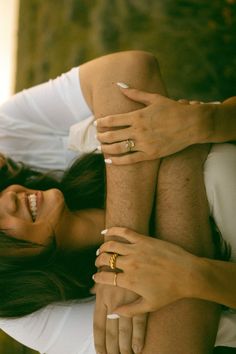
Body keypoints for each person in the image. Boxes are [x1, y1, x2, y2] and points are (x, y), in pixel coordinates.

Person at [0, 50, 234, 353]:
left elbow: (128, 70)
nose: (8, 200)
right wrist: (180, 156)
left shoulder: (87, 159)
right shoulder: (23, 310)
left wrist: (120, 252)